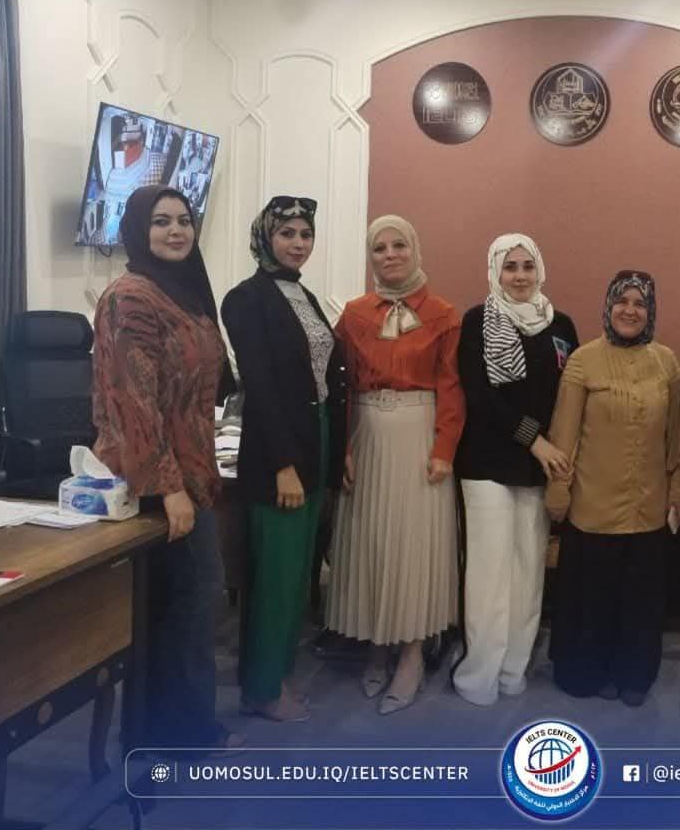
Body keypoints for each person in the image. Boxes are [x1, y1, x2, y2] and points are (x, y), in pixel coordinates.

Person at [91, 184, 243, 751]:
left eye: (184, 220)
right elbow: (134, 403)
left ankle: (170, 731)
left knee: (183, 607)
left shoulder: (181, 293)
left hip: (191, 473)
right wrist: (168, 488)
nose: (176, 231)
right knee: (186, 606)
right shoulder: (130, 298)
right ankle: (181, 735)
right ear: (138, 230)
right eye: (161, 221)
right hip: (155, 482)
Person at [323, 214, 464, 715]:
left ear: (415, 248)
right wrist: (341, 448)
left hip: (419, 436)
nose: (389, 255)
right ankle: (376, 645)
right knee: (371, 541)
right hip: (365, 435)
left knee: (413, 546)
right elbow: (338, 385)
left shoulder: (443, 314)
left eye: (398, 245)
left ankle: (411, 654)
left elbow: (452, 385)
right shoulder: (355, 314)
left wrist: (444, 448)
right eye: (379, 248)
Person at [221, 196, 348, 723]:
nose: (298, 243)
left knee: (298, 573)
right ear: (265, 237)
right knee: (275, 576)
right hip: (280, 450)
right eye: (287, 233)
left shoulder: (303, 294)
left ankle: (277, 672)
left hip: (315, 438)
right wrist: (283, 465)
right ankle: (262, 688)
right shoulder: (245, 299)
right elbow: (261, 388)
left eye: (305, 234)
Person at [545, 270, 680, 707]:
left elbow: (679, 437)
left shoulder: (667, 362)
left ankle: (633, 675)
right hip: (592, 505)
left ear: (651, 311)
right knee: (592, 597)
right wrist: (558, 490)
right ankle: (586, 672)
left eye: (640, 303)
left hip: (647, 506)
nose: (630, 310)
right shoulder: (583, 360)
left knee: (640, 601)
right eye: (622, 302)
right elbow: (564, 434)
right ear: (608, 306)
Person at [451, 234, 578, 706]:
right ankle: (479, 676)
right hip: (488, 462)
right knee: (489, 574)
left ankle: (513, 670)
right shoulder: (477, 320)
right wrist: (535, 439)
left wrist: (554, 449)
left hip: (541, 465)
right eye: (510, 267)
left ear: (539, 269)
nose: (520, 276)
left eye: (527, 266)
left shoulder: (560, 324)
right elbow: (480, 396)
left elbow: (569, 394)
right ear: (495, 271)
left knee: (529, 574)